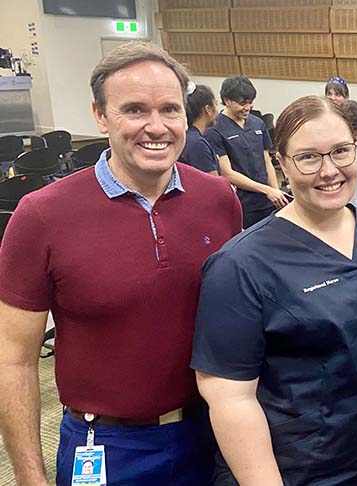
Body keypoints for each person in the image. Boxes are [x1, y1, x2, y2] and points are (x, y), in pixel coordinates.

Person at [0, 41, 242, 486]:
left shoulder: (219, 200)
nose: (157, 127)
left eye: (170, 109)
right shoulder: (41, 215)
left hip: (216, 434)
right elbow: (13, 362)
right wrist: (29, 478)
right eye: (134, 110)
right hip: (106, 449)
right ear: (99, 115)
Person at [192, 95, 357, 485]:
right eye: (309, 157)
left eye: (341, 151)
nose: (329, 170)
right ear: (281, 162)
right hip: (303, 470)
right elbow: (230, 398)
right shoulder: (241, 265)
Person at [207, 76, 287, 228]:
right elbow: (227, 173)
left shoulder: (258, 123)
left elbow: (266, 161)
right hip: (244, 204)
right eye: (242, 103)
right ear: (227, 100)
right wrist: (266, 190)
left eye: (250, 102)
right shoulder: (215, 130)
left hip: (268, 200)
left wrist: (275, 191)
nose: (248, 107)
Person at [325, 76, 357, 155]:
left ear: (346, 97)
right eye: (329, 94)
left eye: (337, 94)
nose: (332, 98)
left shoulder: (355, 119)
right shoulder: (321, 121)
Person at [179, 82, 219, 175]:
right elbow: (213, 185)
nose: (218, 109)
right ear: (208, 109)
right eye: (216, 104)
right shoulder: (197, 145)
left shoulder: (187, 137)